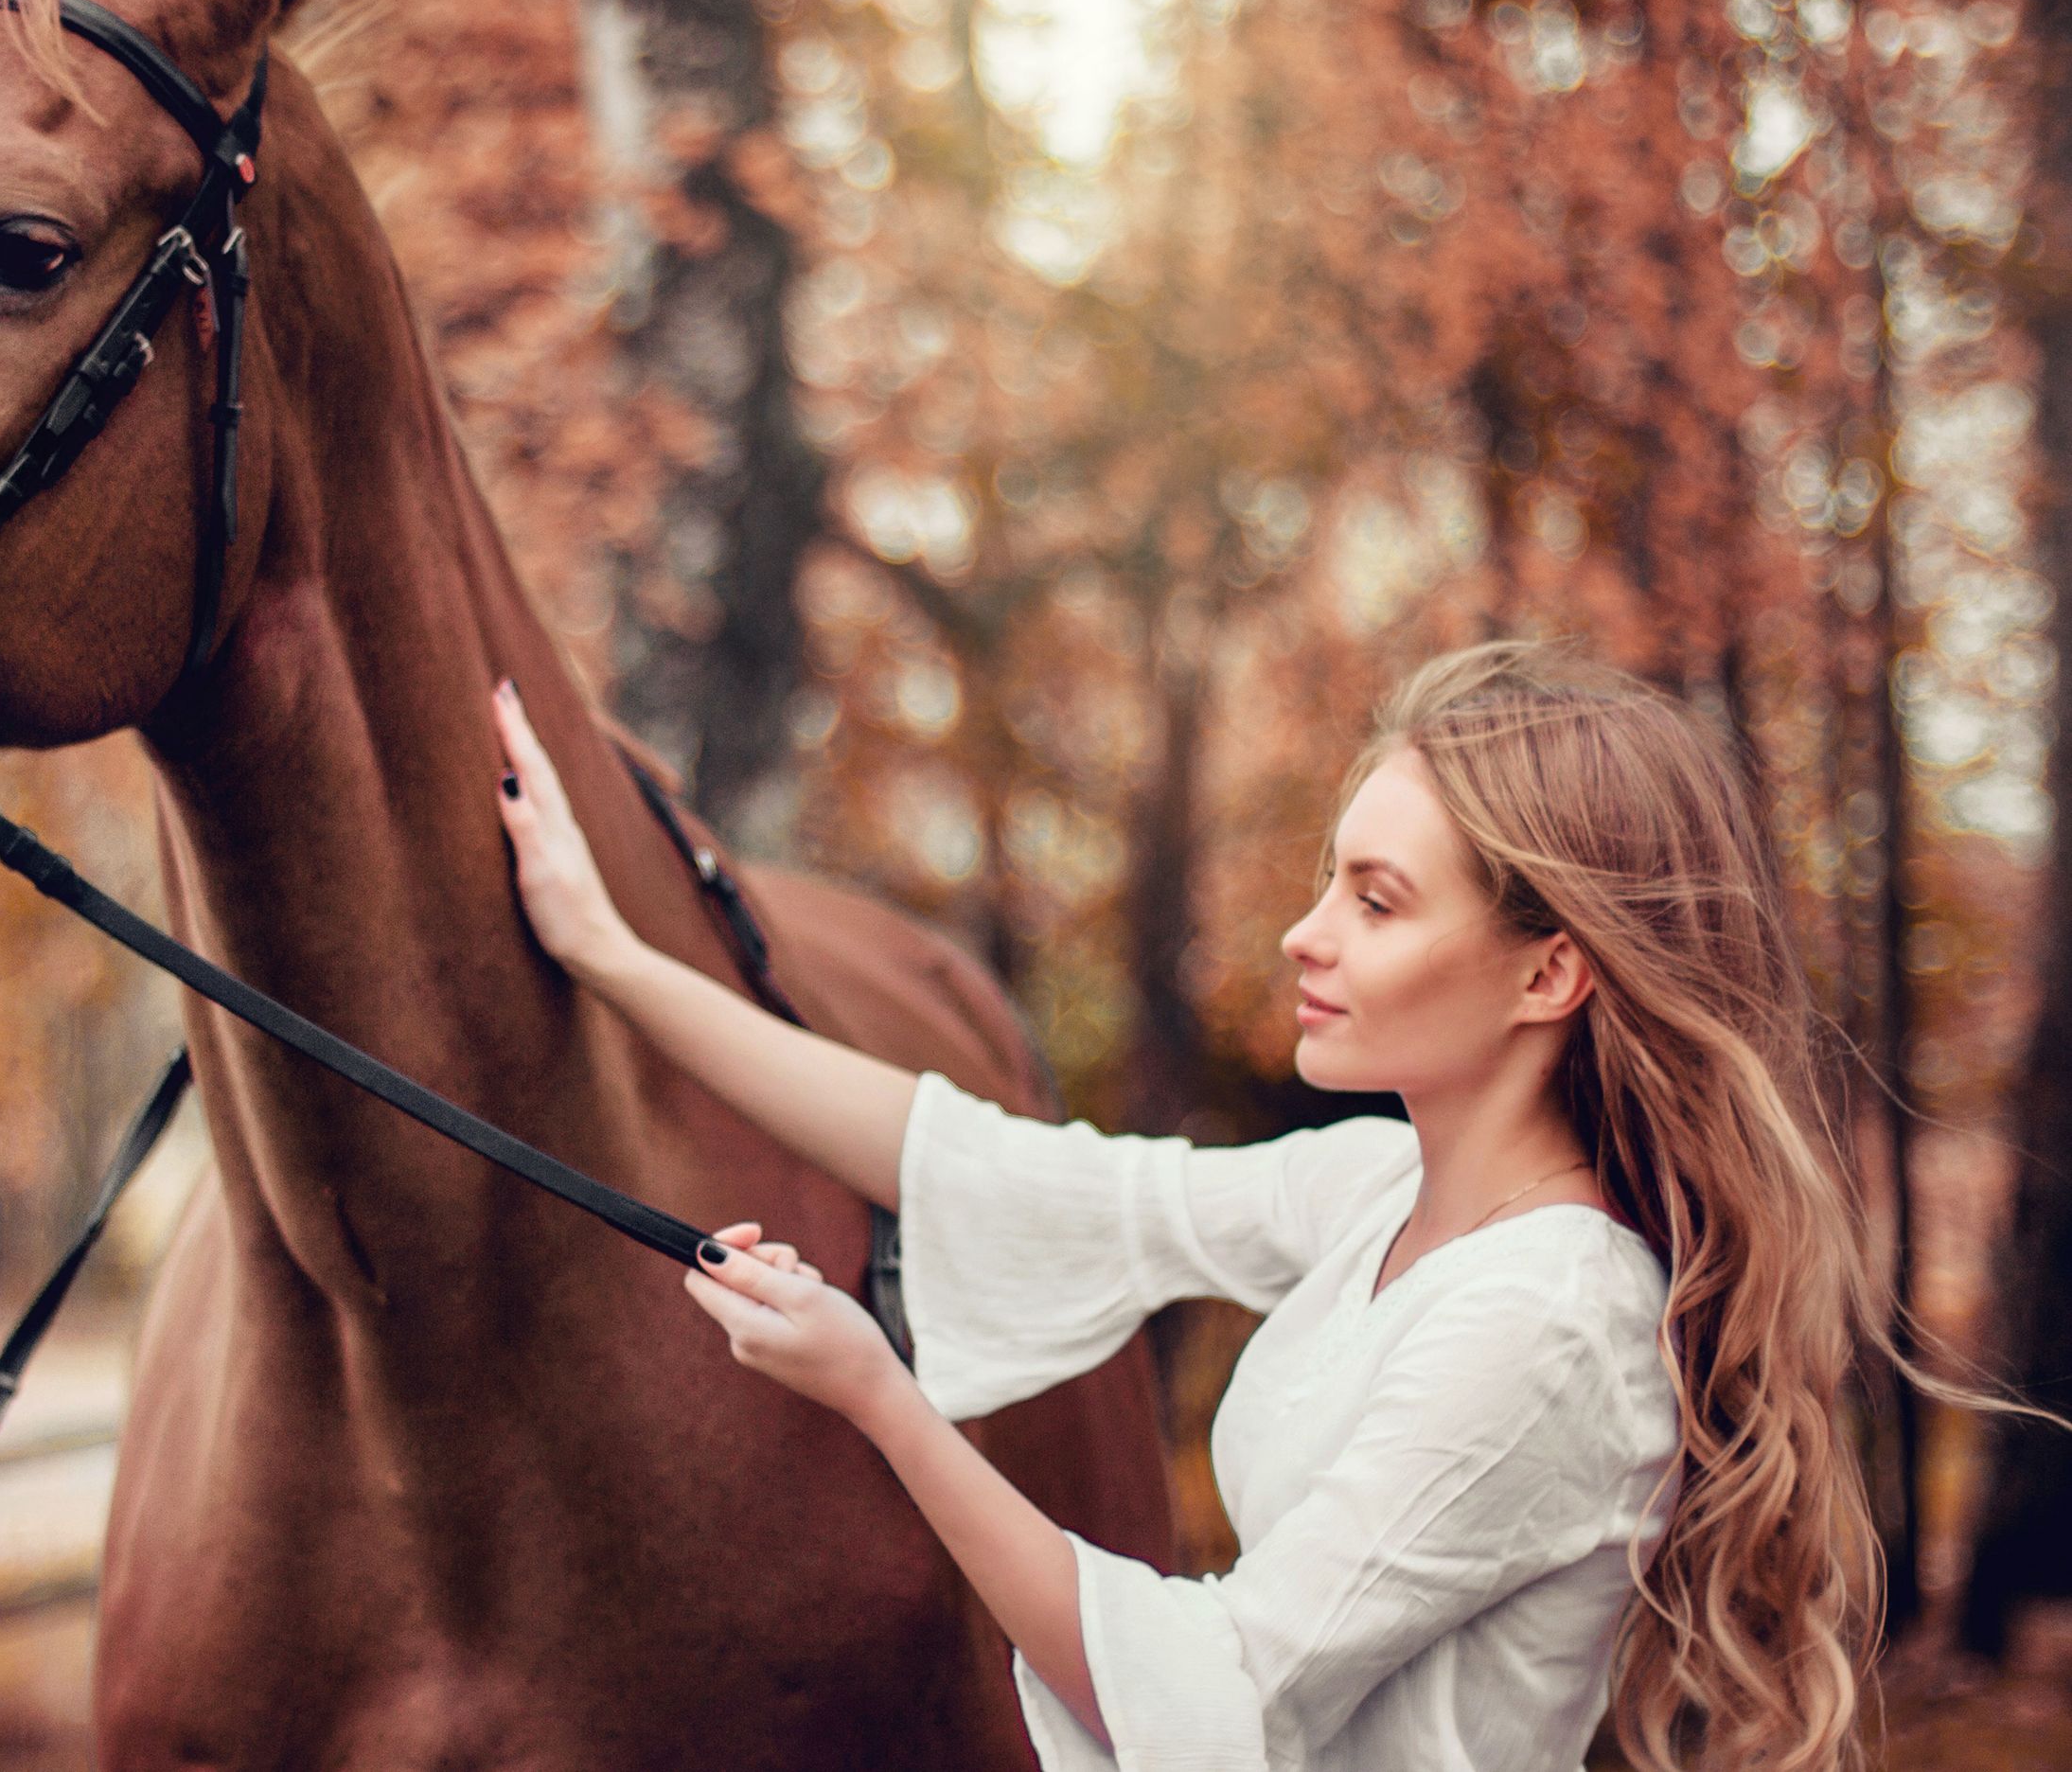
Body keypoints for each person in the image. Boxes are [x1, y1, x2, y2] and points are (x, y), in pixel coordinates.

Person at [487, 640, 1915, 1772]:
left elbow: (1204, 1697)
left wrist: (876, 1396)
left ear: (1548, 975)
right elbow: (992, 1170)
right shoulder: (1375, 1191)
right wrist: (608, 954)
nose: (1306, 933)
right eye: (1326, 883)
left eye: (1375, 900)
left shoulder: (1546, 1323)